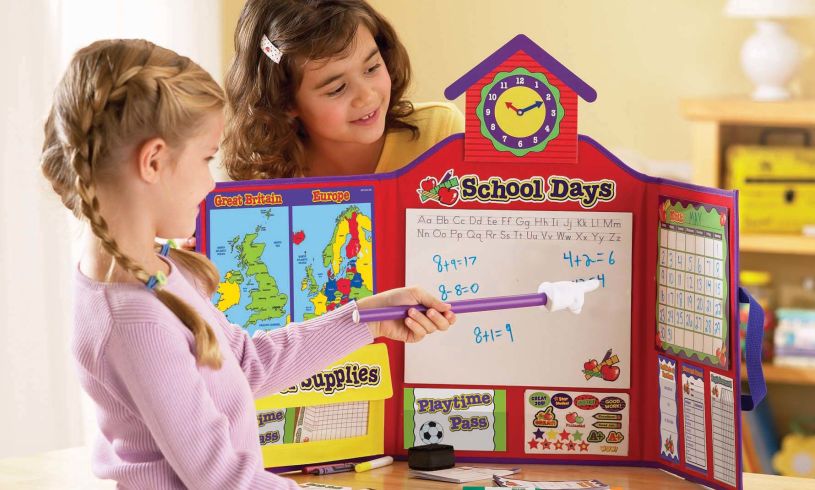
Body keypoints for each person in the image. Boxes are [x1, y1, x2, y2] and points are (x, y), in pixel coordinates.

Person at [41, 39, 455, 489]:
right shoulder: (136, 319)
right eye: (204, 159)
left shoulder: (155, 273)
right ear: (154, 161)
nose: (210, 183)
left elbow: (242, 362)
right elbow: (221, 479)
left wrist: (367, 318)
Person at [222, 0, 464, 179]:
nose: (367, 96)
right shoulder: (267, 177)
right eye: (337, 89)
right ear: (285, 101)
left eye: (371, 68)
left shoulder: (441, 135)